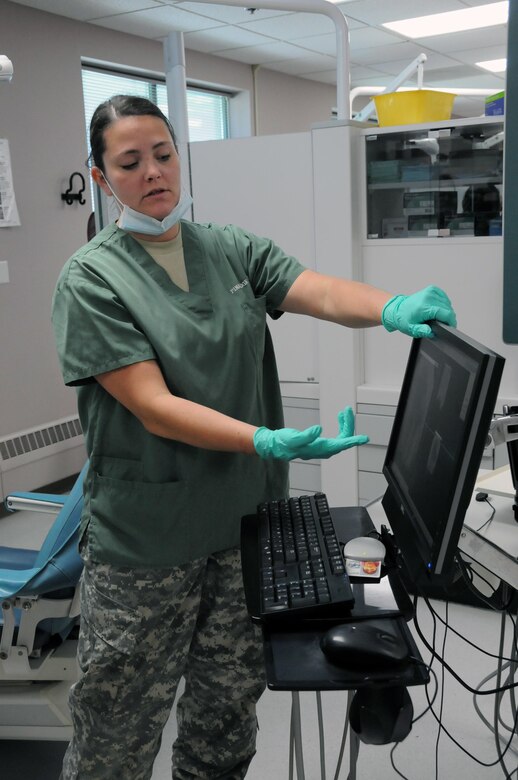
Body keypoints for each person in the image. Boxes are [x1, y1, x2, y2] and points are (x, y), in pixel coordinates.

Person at [51, 94, 456, 780]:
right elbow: (152, 405)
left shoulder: (228, 248)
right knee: (117, 730)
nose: (153, 172)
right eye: (129, 162)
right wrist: (262, 442)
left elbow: (314, 289)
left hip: (242, 530)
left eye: (163, 154)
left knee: (225, 714)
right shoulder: (91, 279)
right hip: (149, 543)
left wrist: (388, 308)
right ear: (99, 177)